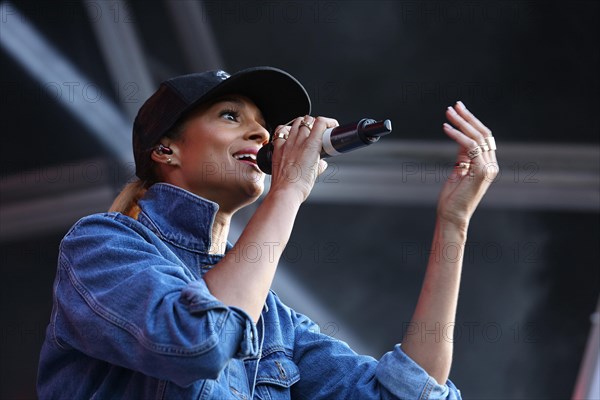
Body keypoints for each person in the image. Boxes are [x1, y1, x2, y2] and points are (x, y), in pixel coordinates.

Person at [37, 66, 498, 399]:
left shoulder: (273, 318)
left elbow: (404, 395)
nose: (262, 134)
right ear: (166, 148)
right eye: (231, 116)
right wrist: (288, 192)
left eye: (263, 124)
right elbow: (199, 341)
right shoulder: (101, 245)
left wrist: (454, 223)